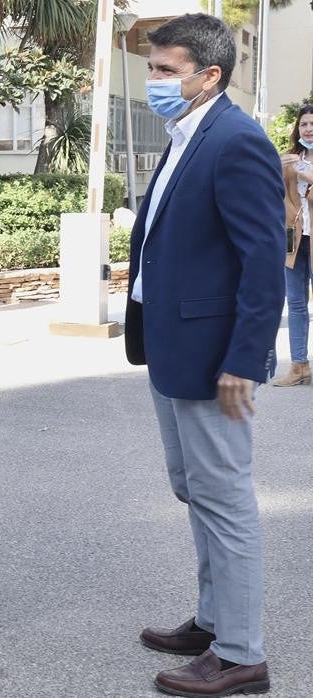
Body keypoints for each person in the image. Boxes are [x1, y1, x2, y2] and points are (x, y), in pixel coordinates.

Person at [124, 14, 285, 698]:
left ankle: (241, 654)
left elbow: (262, 263)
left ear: (208, 75)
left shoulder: (236, 141)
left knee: (225, 500)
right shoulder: (188, 132)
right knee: (196, 491)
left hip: (214, 357)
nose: (154, 81)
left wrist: (244, 361)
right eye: (152, 68)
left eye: (166, 71)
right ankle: (215, 620)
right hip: (171, 347)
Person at [272, 104, 313, 387]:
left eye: (312, 123)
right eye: (304, 125)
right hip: (294, 237)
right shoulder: (290, 159)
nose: (308, 129)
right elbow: (272, 193)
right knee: (296, 303)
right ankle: (298, 366)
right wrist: (276, 166)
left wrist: (308, 176)